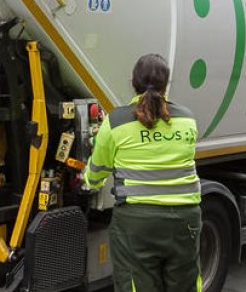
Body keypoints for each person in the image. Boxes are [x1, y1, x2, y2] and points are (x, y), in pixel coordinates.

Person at [84, 54, 202, 292]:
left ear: (133, 81)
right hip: (185, 220)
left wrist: (87, 181)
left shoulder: (115, 121)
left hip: (137, 223)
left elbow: (98, 168)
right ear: (166, 83)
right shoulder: (188, 119)